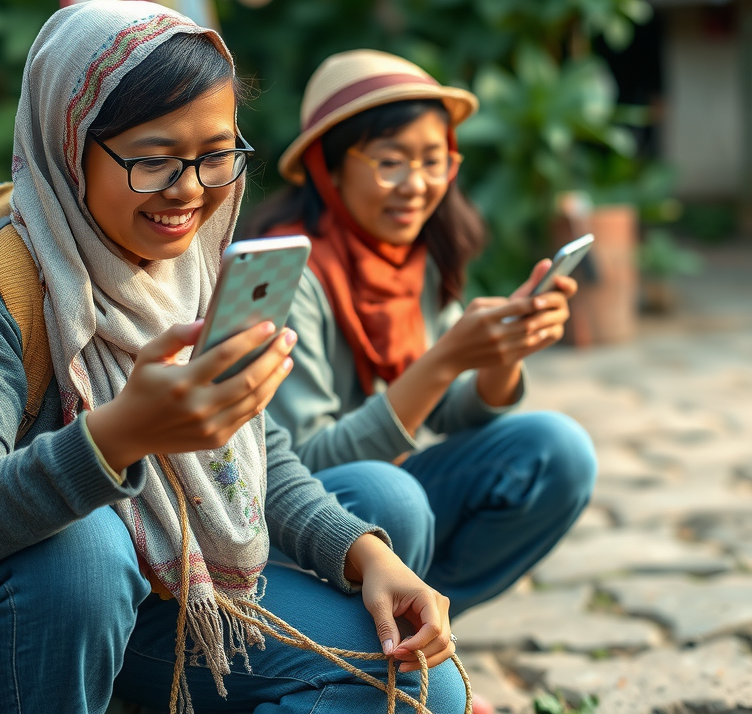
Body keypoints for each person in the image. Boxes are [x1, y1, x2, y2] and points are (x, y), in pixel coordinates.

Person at [0, 0, 470, 714]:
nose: (188, 189)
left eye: (216, 156)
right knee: (84, 552)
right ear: (70, 147)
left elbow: (255, 452)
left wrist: (366, 555)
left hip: (159, 584)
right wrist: (118, 437)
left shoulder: (194, 263)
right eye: (153, 161)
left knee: (418, 686)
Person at [249, 49, 597, 616]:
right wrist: (444, 361)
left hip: (395, 495)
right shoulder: (288, 276)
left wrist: (502, 352)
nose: (417, 185)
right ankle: (370, 649)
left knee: (558, 450)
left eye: (435, 161)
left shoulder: (418, 258)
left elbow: (451, 411)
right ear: (328, 168)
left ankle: (426, 630)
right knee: (392, 496)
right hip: (312, 519)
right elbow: (302, 463)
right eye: (391, 162)